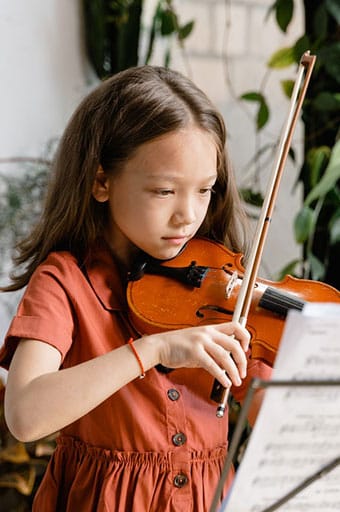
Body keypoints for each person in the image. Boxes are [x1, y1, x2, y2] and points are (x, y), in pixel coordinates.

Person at [0, 65, 271, 511]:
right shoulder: (64, 282)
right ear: (101, 181)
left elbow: (273, 416)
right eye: (164, 191)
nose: (188, 214)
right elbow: (26, 416)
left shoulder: (219, 289)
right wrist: (154, 350)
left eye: (204, 190)